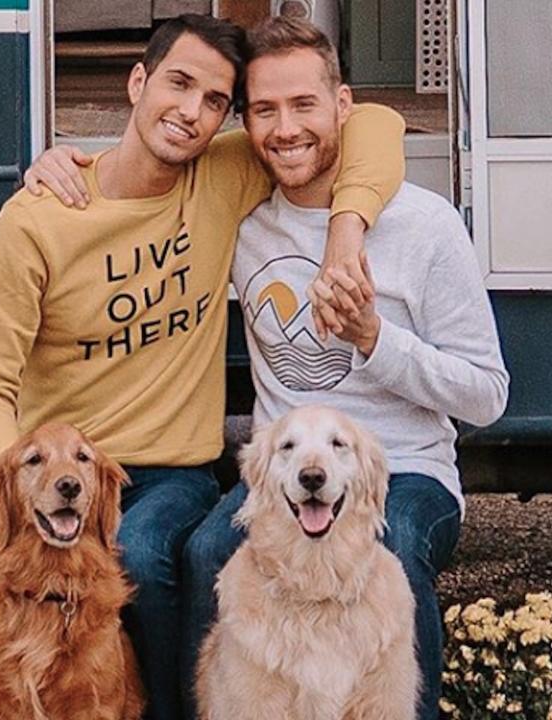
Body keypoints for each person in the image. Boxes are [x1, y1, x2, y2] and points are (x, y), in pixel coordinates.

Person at [0, 13, 406, 720]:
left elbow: (376, 124)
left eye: (215, 102)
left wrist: (346, 231)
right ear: (137, 82)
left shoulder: (221, 177)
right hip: (59, 468)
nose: (192, 113)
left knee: (141, 553)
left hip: (166, 472)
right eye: (179, 84)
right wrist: (3, 482)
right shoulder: (41, 216)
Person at [181, 17, 510, 720]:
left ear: (344, 106)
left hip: (409, 469)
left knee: (390, 560)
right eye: (264, 110)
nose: (285, 128)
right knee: (207, 552)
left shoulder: (425, 225)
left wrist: (374, 338)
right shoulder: (245, 221)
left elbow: (487, 395)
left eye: (304, 105)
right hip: (285, 475)